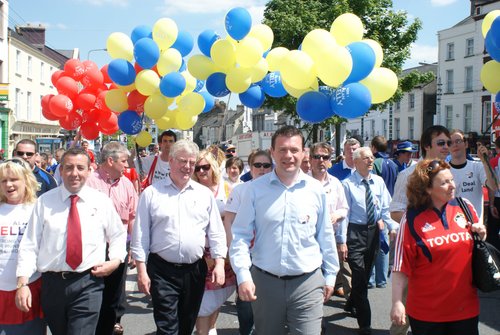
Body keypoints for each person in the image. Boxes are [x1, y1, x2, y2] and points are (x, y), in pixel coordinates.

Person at [230, 125, 339, 335]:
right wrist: (243, 275)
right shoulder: (254, 190)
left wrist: (331, 274)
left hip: (308, 283)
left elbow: (325, 235)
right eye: (282, 150)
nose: (288, 155)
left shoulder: (316, 190)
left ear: (303, 153)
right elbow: (240, 237)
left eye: (294, 150)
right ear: (272, 153)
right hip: (265, 282)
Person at [16, 147, 127, 335]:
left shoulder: (101, 202)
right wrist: (23, 283)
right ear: (60, 171)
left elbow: (117, 235)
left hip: (88, 282)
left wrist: (115, 261)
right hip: (52, 284)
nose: (74, 173)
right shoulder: (44, 202)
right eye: (68, 168)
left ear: (89, 170)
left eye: (80, 168)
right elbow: (30, 244)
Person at [131, 139, 227, 335]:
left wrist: (219, 263)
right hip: (162, 271)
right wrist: (141, 269)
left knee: (186, 324)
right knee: (167, 327)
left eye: (192, 163)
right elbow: (140, 234)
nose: (188, 167)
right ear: (172, 161)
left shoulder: (204, 195)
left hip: (194, 271)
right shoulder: (151, 194)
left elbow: (216, 232)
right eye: (183, 161)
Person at [391, 159, 486, 335]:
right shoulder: (411, 219)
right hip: (427, 313)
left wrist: (480, 233)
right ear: (427, 189)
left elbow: (477, 244)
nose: (452, 186)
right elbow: (400, 265)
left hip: (465, 308)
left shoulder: (465, 207)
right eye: (444, 182)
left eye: (451, 180)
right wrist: (397, 302)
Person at [389, 125, 451, 335]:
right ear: (426, 146)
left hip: (442, 256)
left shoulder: (447, 174)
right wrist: (424, 226)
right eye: (441, 143)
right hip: (414, 253)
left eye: (448, 143)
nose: (446, 147)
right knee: (403, 313)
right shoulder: (409, 175)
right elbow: (395, 210)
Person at [342, 147, 398, 335]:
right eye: (366, 158)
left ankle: (351, 302)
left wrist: (393, 227)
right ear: (356, 162)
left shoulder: (379, 182)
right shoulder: (347, 184)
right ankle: (365, 324)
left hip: (373, 233)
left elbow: (385, 210)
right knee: (358, 276)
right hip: (354, 233)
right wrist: (342, 240)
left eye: (371, 157)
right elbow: (345, 214)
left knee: (364, 275)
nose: (370, 160)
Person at [86, 142, 139, 335]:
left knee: (115, 294)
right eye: (124, 161)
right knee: (92, 293)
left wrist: (133, 246)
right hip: (93, 248)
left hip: (119, 248)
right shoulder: (89, 182)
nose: (127, 166)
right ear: (110, 160)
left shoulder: (126, 184)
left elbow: (133, 216)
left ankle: (110, 326)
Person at [224, 149, 273, 335]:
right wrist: (231, 248)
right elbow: (229, 220)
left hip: (269, 254)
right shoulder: (240, 190)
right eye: (257, 165)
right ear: (250, 168)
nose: (262, 169)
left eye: (266, 165)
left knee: (267, 301)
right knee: (246, 300)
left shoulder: (277, 190)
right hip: (245, 252)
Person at [192, 150, 236, 335]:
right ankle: (203, 331)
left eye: (206, 167)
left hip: (223, 251)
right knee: (202, 299)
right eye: (198, 168)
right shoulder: (191, 189)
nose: (202, 171)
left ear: (214, 168)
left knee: (218, 293)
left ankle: (211, 328)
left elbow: (236, 217)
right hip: (200, 253)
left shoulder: (227, 188)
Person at [0, 158, 44, 334]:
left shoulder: (38, 208)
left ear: (26, 180)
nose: (9, 184)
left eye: (14, 179)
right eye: (4, 180)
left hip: (29, 288)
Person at [369, 136, 399, 290]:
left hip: (378, 208)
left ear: (374, 147)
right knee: (384, 243)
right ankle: (382, 279)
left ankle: (372, 278)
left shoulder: (375, 163)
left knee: (375, 244)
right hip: (390, 205)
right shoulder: (393, 164)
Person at [448, 129, 496, 222]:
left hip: (475, 228)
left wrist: (485, 161)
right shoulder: (443, 171)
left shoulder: (478, 166)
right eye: (451, 143)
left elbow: (493, 186)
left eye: (458, 141)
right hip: (453, 229)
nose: (455, 145)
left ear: (466, 144)